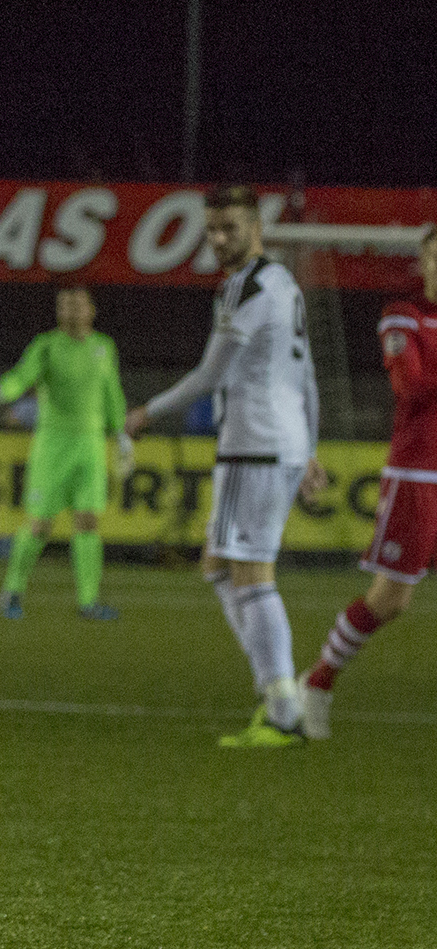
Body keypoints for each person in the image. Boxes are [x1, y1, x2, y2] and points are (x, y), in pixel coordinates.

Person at [125, 186, 327, 748]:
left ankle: (284, 705)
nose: (218, 240)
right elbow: (306, 374)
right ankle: (278, 691)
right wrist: (309, 446)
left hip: (254, 445)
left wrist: (146, 412)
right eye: (211, 229)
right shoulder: (284, 282)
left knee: (251, 575)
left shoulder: (247, 288)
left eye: (229, 228)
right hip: (276, 442)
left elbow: (208, 376)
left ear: (255, 226)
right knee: (217, 566)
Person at [298, 227, 437, 737]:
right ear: (423, 266)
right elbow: (412, 386)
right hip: (418, 476)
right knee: (390, 600)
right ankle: (318, 681)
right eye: (436, 259)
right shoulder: (404, 316)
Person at [0, 285, 131, 620]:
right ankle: (12, 591)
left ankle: (89, 601)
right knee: (40, 524)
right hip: (53, 446)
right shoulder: (46, 346)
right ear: (59, 312)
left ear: (91, 310)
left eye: (78, 305)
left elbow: (111, 391)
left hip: (90, 445)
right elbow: (21, 378)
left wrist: (122, 433)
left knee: (88, 521)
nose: (72, 312)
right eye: (65, 306)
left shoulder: (104, 347)